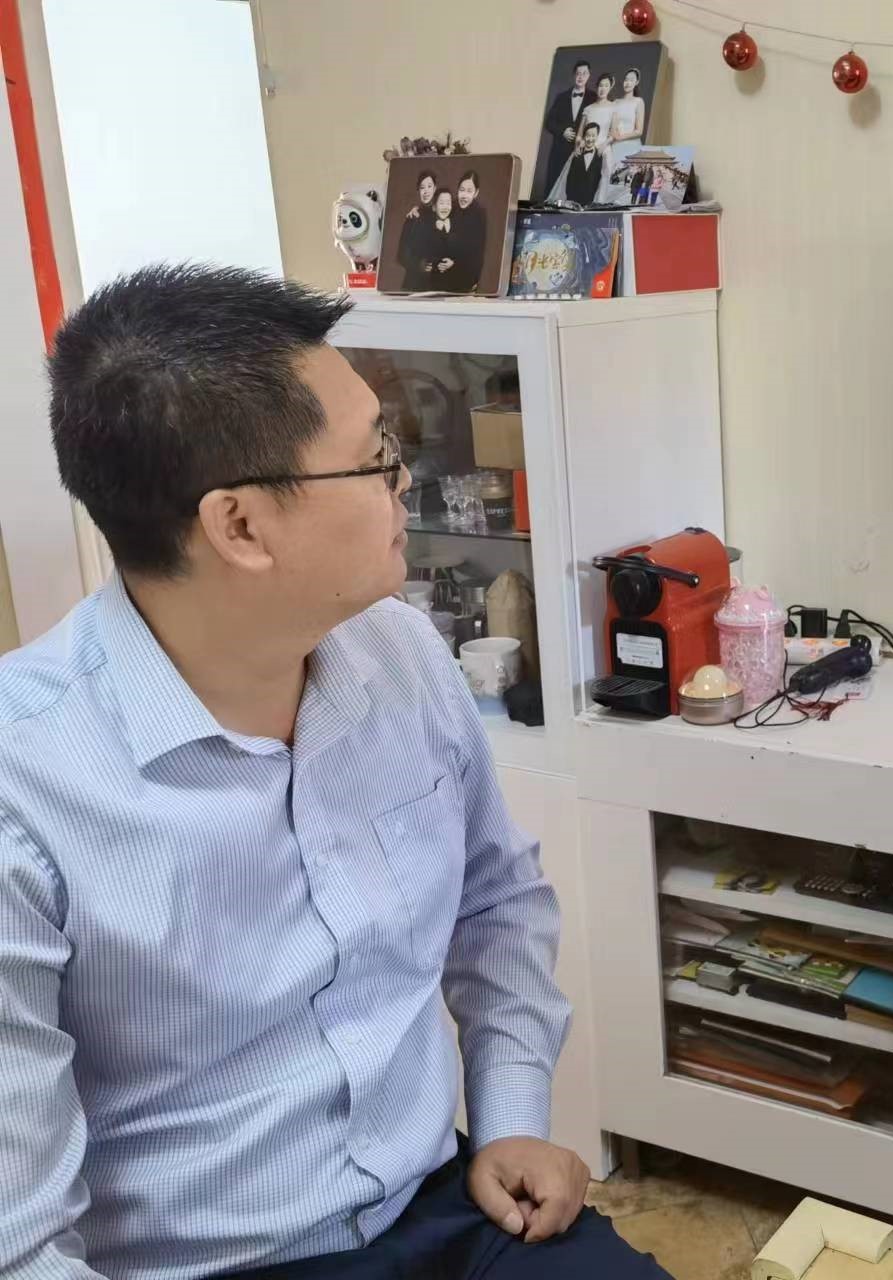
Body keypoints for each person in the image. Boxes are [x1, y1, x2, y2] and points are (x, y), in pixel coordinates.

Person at [0, 265, 671, 1280]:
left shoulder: (399, 654)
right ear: (239, 526)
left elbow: (496, 901)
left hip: (442, 1201)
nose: (404, 483)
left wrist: (511, 1116)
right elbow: (22, 1241)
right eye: (376, 459)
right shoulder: (27, 790)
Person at [539, 58, 592, 200]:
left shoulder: (593, 97)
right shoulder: (561, 97)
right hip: (559, 150)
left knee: (576, 188)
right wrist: (562, 131)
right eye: (578, 73)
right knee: (553, 185)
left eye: (584, 73)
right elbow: (549, 122)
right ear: (574, 75)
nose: (580, 77)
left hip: (581, 150)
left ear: (588, 76)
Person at [439, 170, 487, 293]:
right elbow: (433, 209)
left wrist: (455, 263)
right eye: (462, 190)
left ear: (476, 193)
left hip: (466, 278)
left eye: (469, 191)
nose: (464, 195)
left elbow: (476, 253)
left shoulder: (479, 214)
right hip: (443, 277)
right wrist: (416, 209)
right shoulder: (452, 205)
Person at [395, 169, 440, 290]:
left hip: (437, 284)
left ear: (435, 188)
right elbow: (401, 255)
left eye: (429, 186)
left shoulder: (442, 215)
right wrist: (419, 264)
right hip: (413, 283)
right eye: (422, 187)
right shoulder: (412, 218)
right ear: (418, 191)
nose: (426, 191)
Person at [558, 122, 605, 206]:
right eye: (588, 136)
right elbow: (570, 179)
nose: (590, 139)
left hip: (589, 202)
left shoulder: (599, 156)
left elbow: (597, 180)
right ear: (584, 136)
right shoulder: (577, 154)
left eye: (593, 136)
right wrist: (570, 199)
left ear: (597, 136)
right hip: (573, 200)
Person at [577, 72, 618, 153]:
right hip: (586, 149)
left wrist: (602, 146)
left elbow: (613, 136)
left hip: (603, 150)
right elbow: (579, 135)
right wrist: (578, 144)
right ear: (597, 87)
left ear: (610, 88)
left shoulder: (613, 108)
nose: (603, 89)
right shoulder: (588, 109)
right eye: (601, 85)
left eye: (606, 86)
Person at [608, 67, 647, 144]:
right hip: (614, 143)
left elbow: (639, 131)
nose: (628, 83)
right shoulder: (615, 102)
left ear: (636, 82)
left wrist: (620, 137)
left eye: (631, 80)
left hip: (630, 144)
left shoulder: (638, 101)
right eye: (626, 80)